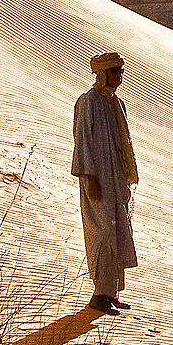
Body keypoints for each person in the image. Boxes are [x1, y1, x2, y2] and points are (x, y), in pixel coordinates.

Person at [71, 50, 138, 314]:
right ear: (101, 73)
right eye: (114, 71)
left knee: (119, 231)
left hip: (115, 179)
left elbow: (124, 144)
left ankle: (111, 292)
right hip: (97, 180)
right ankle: (99, 294)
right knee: (102, 234)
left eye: (120, 71)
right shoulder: (88, 102)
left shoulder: (116, 103)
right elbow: (82, 143)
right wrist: (89, 178)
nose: (119, 76)